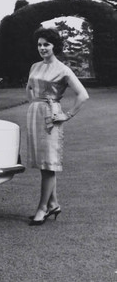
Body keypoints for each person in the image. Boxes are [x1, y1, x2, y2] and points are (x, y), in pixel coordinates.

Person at [25, 27, 89, 226]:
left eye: (46, 44)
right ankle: (53, 203)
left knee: (48, 164)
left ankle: (42, 208)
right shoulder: (35, 66)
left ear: (55, 46)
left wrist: (66, 115)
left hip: (50, 117)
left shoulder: (63, 69)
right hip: (35, 115)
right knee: (42, 163)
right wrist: (34, 103)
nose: (42, 48)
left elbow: (83, 95)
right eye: (39, 44)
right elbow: (29, 87)